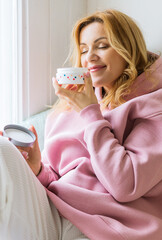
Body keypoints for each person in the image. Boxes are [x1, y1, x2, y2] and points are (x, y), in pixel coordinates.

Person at [1, 8, 162, 240]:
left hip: (104, 224)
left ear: (127, 48)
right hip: (55, 209)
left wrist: (90, 114)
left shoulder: (152, 108)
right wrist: (37, 169)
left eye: (102, 46)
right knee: (2, 150)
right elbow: (55, 176)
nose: (90, 57)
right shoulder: (74, 105)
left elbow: (125, 185)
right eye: (84, 49)